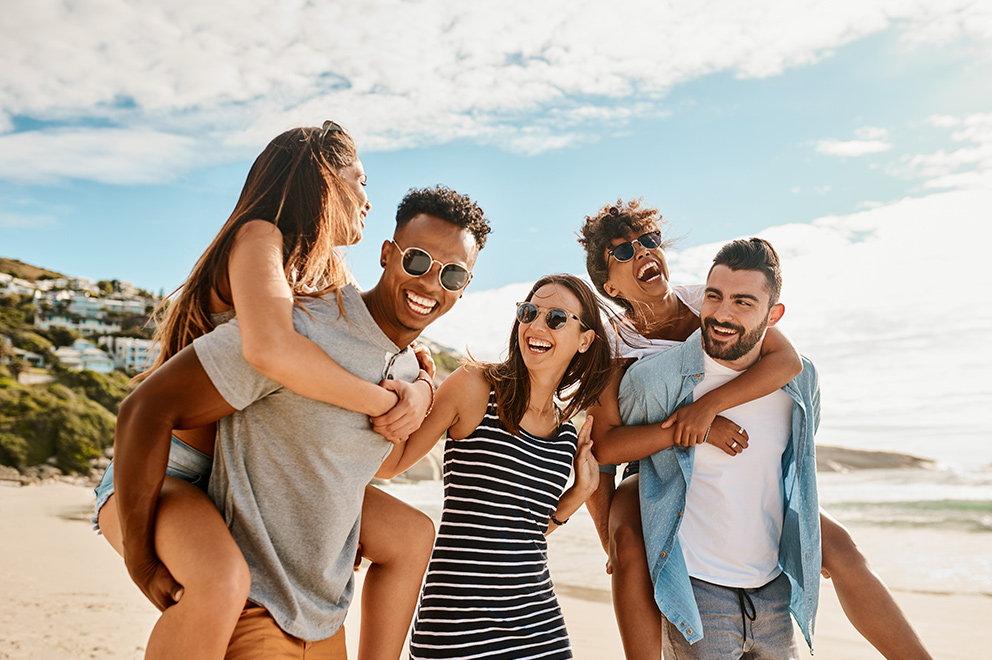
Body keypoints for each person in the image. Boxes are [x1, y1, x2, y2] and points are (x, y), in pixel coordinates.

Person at [94, 123, 437, 660]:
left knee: (409, 534)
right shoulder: (260, 237)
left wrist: (422, 388)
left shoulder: (318, 276)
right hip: (168, 469)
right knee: (222, 582)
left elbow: (377, 353)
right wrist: (382, 403)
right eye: (360, 181)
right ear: (323, 180)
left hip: (247, 472)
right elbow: (271, 350)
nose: (370, 200)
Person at [579, 200, 933, 659]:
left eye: (648, 241)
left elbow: (787, 361)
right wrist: (608, 538)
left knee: (839, 545)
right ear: (608, 284)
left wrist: (708, 408)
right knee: (628, 542)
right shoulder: (612, 346)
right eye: (622, 252)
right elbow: (600, 453)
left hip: (731, 455)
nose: (643, 252)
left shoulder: (702, 299)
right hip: (652, 462)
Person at [376, 273, 614, 660]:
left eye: (556, 318)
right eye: (530, 312)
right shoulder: (475, 386)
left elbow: (525, 535)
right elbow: (392, 464)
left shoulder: (566, 435)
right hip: (456, 624)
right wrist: (419, 383)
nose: (536, 326)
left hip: (540, 624)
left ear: (584, 340)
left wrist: (578, 495)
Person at [616, 237, 819, 657]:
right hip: (696, 591)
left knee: (847, 554)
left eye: (744, 302)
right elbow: (604, 454)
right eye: (714, 296)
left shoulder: (800, 380)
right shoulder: (655, 379)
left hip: (773, 593)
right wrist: (611, 543)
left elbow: (794, 464)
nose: (722, 314)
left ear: (773, 315)